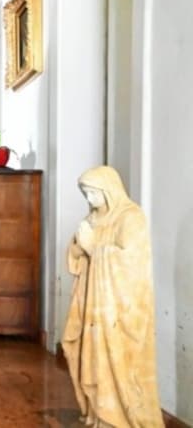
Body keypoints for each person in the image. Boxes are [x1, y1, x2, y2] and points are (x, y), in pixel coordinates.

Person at [62, 166, 163, 427]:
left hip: (117, 310)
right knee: (85, 353)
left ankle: (116, 418)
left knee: (114, 360)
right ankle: (97, 414)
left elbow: (132, 262)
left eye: (93, 193)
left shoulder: (131, 217)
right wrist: (78, 249)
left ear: (109, 190)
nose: (89, 200)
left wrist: (94, 246)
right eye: (85, 193)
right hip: (92, 304)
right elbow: (77, 257)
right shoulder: (94, 218)